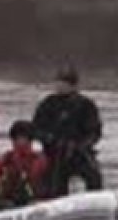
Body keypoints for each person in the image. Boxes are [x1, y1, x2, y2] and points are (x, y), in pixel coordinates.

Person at [32, 67, 103, 196]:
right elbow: (36, 128)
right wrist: (49, 139)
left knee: (94, 176)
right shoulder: (48, 103)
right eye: (58, 82)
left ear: (74, 86)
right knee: (52, 183)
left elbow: (94, 131)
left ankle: (96, 200)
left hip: (79, 153)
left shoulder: (85, 104)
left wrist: (83, 145)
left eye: (64, 83)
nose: (60, 86)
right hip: (54, 153)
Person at [0, 120, 49, 208]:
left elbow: (43, 181)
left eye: (23, 138)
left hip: (35, 201)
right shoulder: (4, 160)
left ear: (30, 140)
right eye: (17, 138)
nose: (19, 142)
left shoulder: (39, 160)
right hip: (9, 201)